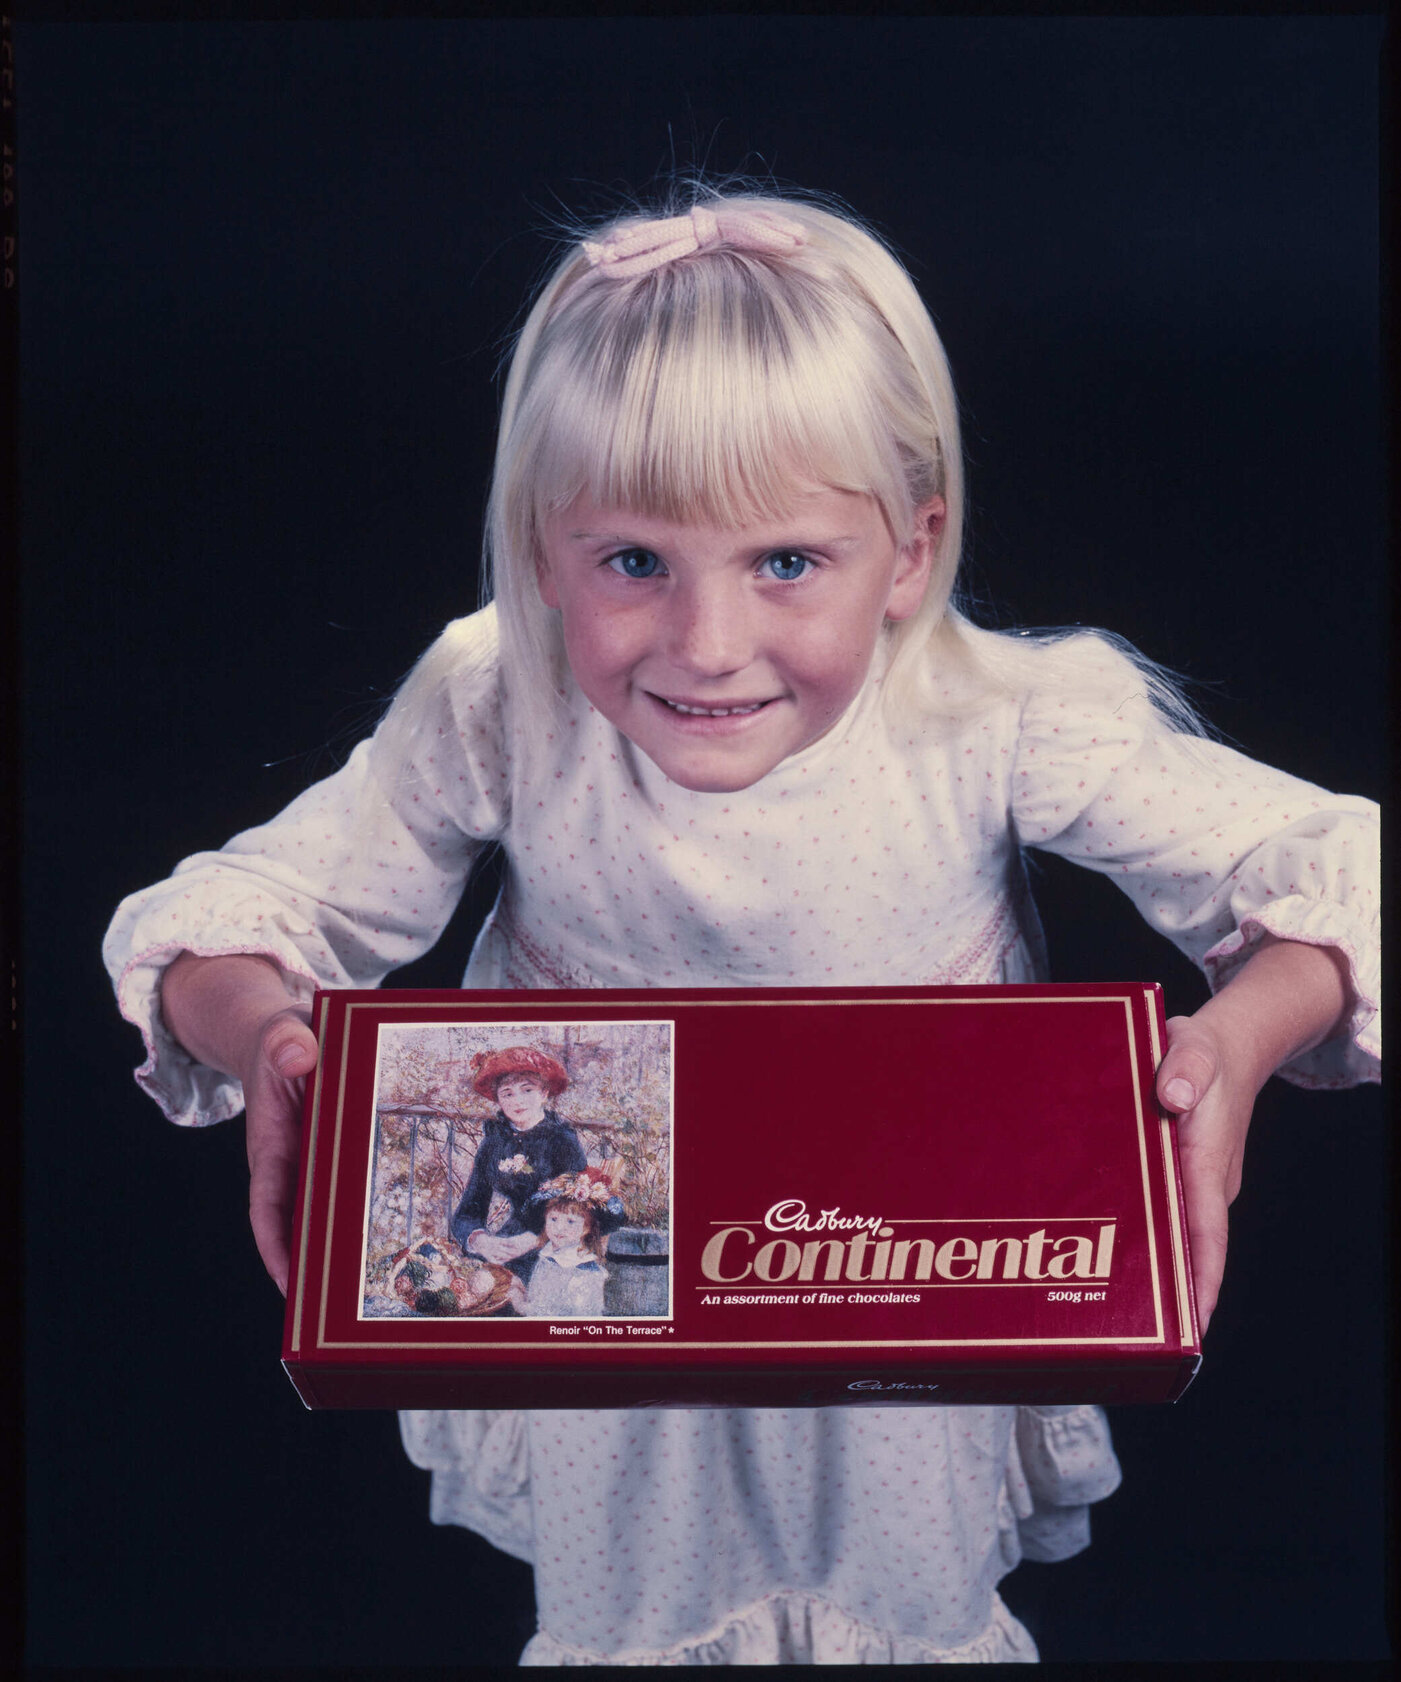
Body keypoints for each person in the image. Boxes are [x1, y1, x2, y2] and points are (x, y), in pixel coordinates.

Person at [103, 186, 1378, 1664]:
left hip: (899, 1265)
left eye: (786, 562)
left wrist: (1240, 1036)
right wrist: (262, 1031)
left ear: (910, 550)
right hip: (614, 1279)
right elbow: (241, 915)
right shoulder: (500, 705)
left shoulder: (999, 719)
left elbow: (1336, 870)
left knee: (898, 1599)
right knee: (639, 1605)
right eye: (633, 561)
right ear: (543, 549)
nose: (708, 648)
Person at [449, 1046, 586, 1283]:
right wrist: (481, 1241)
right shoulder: (495, 1142)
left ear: (544, 1093)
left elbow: (583, 1210)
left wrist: (536, 1238)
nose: (517, 1101)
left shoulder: (562, 1140)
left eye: (527, 1090)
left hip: (555, 1247)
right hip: (508, 1243)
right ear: (498, 1100)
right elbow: (468, 1210)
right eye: (507, 1094)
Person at [515, 1168, 625, 1319]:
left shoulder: (583, 1272)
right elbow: (542, 1298)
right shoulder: (550, 1256)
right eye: (554, 1219)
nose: (559, 1228)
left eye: (570, 1221)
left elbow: (550, 1314)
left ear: (586, 1228)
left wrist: (520, 1304)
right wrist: (522, 1291)